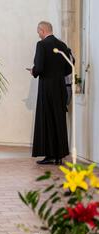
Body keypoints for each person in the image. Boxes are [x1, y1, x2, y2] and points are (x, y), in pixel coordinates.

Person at [29, 21, 71, 165]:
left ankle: (50, 155)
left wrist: (34, 71)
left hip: (47, 87)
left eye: (38, 32)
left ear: (42, 30)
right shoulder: (62, 45)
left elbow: (39, 67)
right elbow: (69, 68)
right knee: (59, 120)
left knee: (47, 119)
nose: (38, 35)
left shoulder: (41, 45)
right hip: (60, 87)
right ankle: (59, 155)